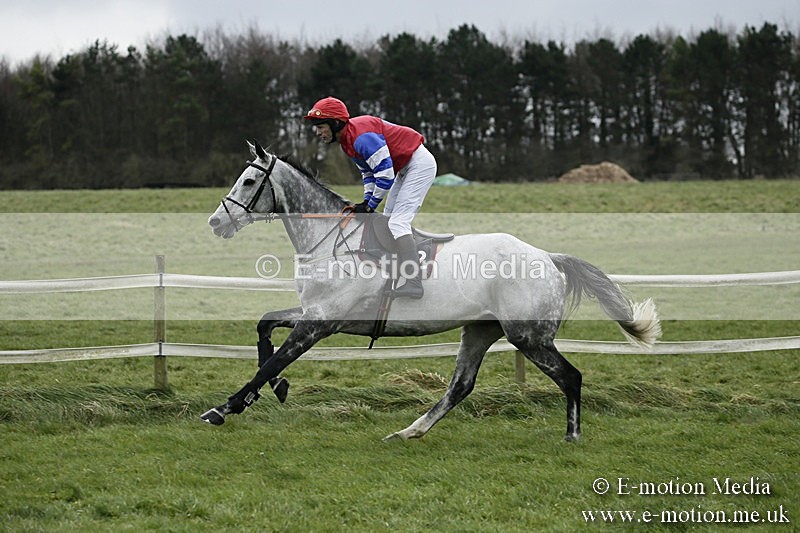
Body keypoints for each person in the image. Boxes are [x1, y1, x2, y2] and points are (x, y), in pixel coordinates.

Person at [304, 96, 437, 299]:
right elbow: (368, 174)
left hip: (419, 165)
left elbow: (384, 176)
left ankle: (414, 282)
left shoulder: (361, 139)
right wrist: (367, 202)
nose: (318, 132)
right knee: (388, 218)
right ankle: (397, 269)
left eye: (321, 126)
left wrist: (369, 206)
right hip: (403, 168)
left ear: (335, 123)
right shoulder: (346, 142)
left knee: (398, 224)